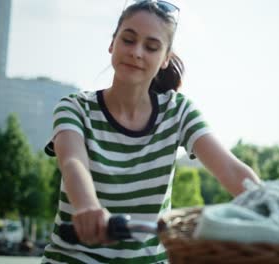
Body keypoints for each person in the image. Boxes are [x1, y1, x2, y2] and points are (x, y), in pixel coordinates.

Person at [42, 0, 260, 263]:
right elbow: (72, 160)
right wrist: (88, 206)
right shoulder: (75, 107)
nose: (136, 52)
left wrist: (276, 210)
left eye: (151, 47)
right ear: (112, 43)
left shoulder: (177, 111)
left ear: (165, 58)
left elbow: (230, 169)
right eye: (128, 40)